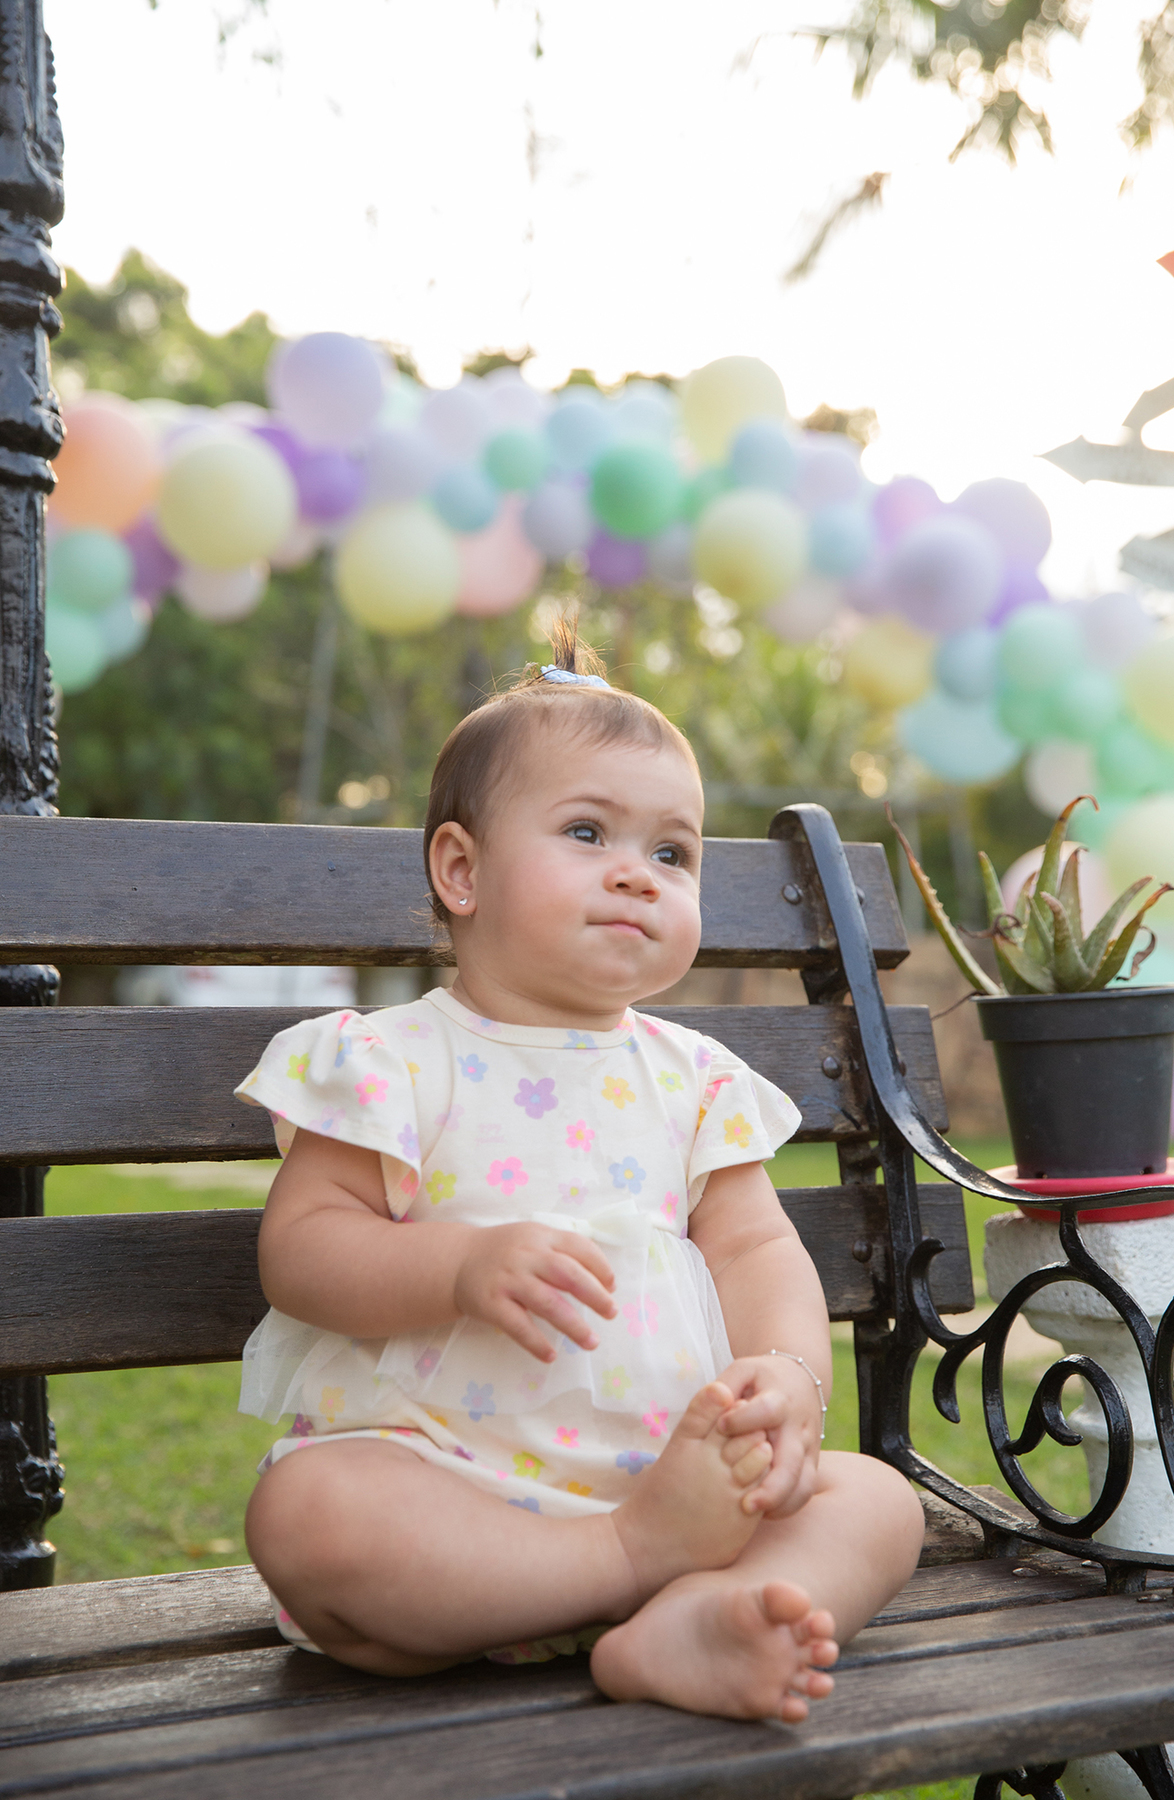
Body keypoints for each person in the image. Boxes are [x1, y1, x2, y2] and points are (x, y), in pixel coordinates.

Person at [236, 621, 925, 1723]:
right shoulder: (388, 1063)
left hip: (686, 1488)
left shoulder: (696, 1079)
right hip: (449, 1491)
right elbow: (304, 1250)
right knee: (310, 1515)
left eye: (672, 853)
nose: (637, 876)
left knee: (879, 1503)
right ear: (462, 869)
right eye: (589, 831)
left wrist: (791, 1379)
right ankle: (623, 1566)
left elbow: (754, 1249)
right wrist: (459, 1268)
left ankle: (687, 1625)